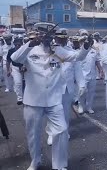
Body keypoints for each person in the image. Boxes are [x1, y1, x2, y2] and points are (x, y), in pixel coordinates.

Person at [11, 23, 91, 170]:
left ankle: (59, 165)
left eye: (50, 34)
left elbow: (77, 57)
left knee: (61, 130)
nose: (47, 38)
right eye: (44, 34)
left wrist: (86, 47)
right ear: (38, 34)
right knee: (33, 134)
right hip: (33, 100)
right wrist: (30, 43)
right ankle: (35, 161)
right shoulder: (30, 49)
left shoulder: (58, 50)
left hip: (54, 100)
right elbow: (15, 58)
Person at [46, 29, 86, 146]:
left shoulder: (72, 52)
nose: (61, 40)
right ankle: (51, 134)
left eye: (63, 38)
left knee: (65, 112)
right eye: (59, 38)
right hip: (53, 87)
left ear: (66, 38)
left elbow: (77, 70)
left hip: (68, 88)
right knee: (52, 111)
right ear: (55, 38)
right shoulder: (49, 50)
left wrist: (81, 84)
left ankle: (65, 132)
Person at [78, 29, 104, 114]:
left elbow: (97, 62)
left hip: (92, 74)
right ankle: (80, 105)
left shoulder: (94, 51)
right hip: (82, 74)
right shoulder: (79, 51)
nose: (84, 42)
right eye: (82, 41)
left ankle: (89, 106)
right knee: (82, 92)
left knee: (91, 92)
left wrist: (101, 70)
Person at [6, 36, 24, 105]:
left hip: (25, 68)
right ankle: (20, 99)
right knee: (18, 83)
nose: (17, 46)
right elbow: (8, 61)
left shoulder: (24, 50)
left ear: (21, 44)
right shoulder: (11, 51)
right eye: (16, 44)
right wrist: (8, 70)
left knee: (27, 84)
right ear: (14, 44)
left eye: (19, 45)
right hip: (15, 68)